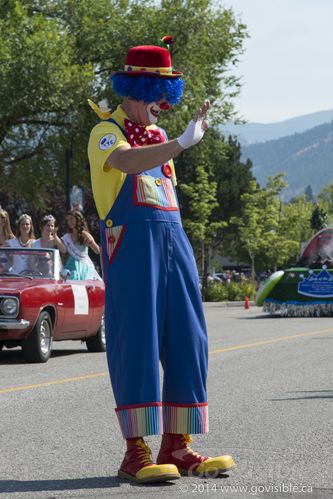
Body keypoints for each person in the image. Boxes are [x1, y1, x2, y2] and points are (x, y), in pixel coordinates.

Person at [88, 43, 235, 483]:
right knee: (137, 345)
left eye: (170, 93)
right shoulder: (106, 132)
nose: (166, 104)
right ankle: (136, 453)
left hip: (175, 248)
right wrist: (181, 142)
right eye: (160, 91)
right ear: (138, 88)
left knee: (190, 340)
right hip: (132, 251)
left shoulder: (158, 139)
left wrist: (175, 142)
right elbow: (126, 163)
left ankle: (179, 445)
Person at [61, 209, 101, 280]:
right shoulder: (66, 237)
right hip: (70, 267)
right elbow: (64, 255)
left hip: (83, 267)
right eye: (68, 220)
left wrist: (90, 242)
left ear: (77, 219)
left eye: (71, 219)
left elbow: (97, 251)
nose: (69, 222)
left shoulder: (84, 234)